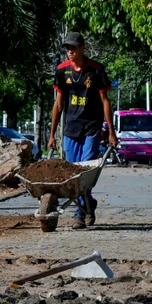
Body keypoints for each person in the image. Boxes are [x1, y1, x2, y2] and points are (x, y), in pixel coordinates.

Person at [48, 32, 118, 228]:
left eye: (73, 48)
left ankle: (79, 214)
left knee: (84, 171)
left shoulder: (96, 70)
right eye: (67, 48)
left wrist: (111, 132)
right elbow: (58, 105)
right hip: (70, 128)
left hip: (91, 127)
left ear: (82, 48)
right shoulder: (62, 71)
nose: (70, 51)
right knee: (72, 174)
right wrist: (52, 134)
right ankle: (89, 205)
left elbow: (106, 102)